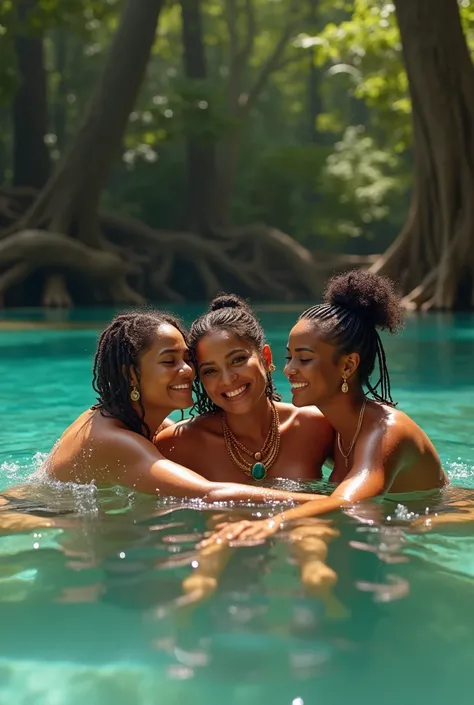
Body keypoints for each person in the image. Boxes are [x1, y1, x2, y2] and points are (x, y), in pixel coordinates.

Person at [200, 270, 449, 545]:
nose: (289, 369)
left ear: (347, 365)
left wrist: (274, 522)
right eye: (289, 357)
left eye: (304, 359)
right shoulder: (336, 430)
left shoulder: (387, 431)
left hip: (447, 529)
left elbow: (348, 501)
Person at [40, 310, 326, 504]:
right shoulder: (113, 440)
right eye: (169, 361)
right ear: (130, 374)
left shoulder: (141, 425)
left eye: (187, 359)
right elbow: (208, 494)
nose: (188, 371)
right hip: (31, 518)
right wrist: (332, 502)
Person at [156, 295, 334, 483]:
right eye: (210, 370)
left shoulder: (317, 426)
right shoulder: (176, 445)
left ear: (266, 358)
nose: (227, 379)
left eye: (238, 360)